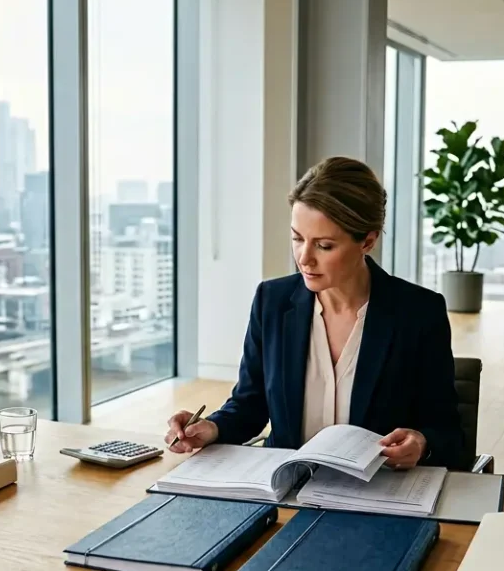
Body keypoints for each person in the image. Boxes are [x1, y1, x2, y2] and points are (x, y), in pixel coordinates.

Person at [165, 154, 469, 470]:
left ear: (367, 241)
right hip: (284, 490)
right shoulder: (272, 300)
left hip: (377, 497)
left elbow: (448, 433)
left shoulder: (418, 313)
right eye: (297, 238)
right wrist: (211, 428)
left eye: (324, 246)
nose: (304, 258)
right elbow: (249, 406)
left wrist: (421, 444)